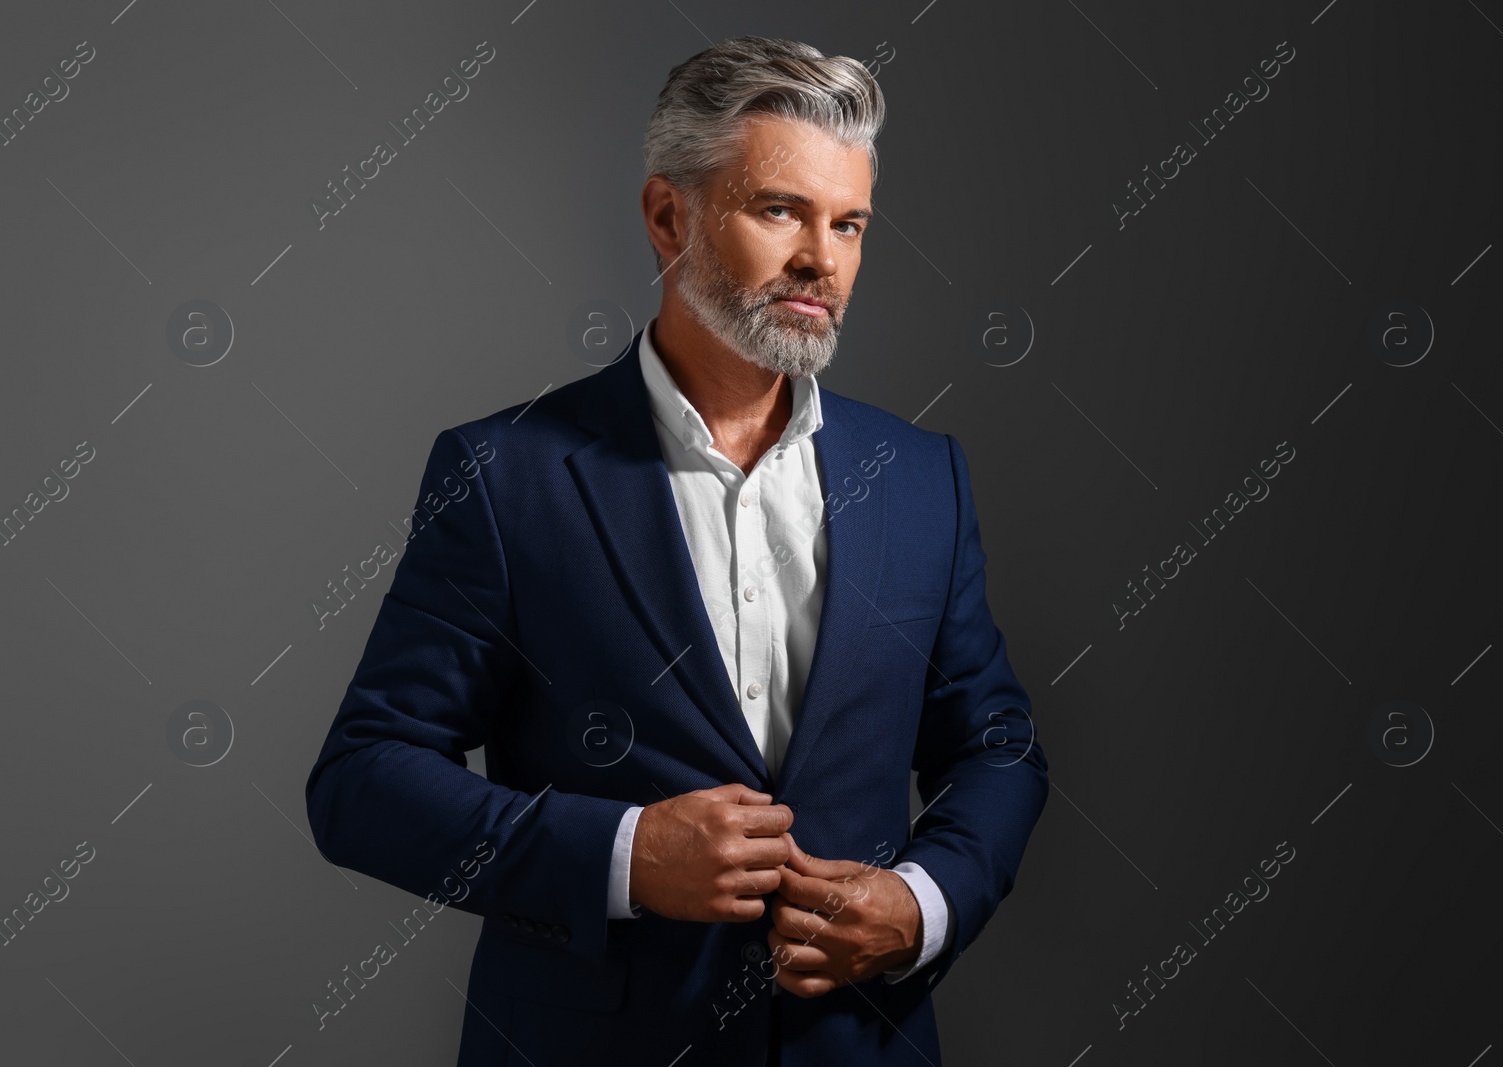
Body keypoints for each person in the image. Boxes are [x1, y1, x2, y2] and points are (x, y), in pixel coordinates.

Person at [304, 34, 1048, 1066]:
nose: (819, 260)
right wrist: (621, 854)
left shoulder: (923, 477)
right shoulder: (507, 473)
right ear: (668, 217)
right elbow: (363, 781)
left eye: (849, 224)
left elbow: (994, 747)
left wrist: (922, 902)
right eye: (780, 209)